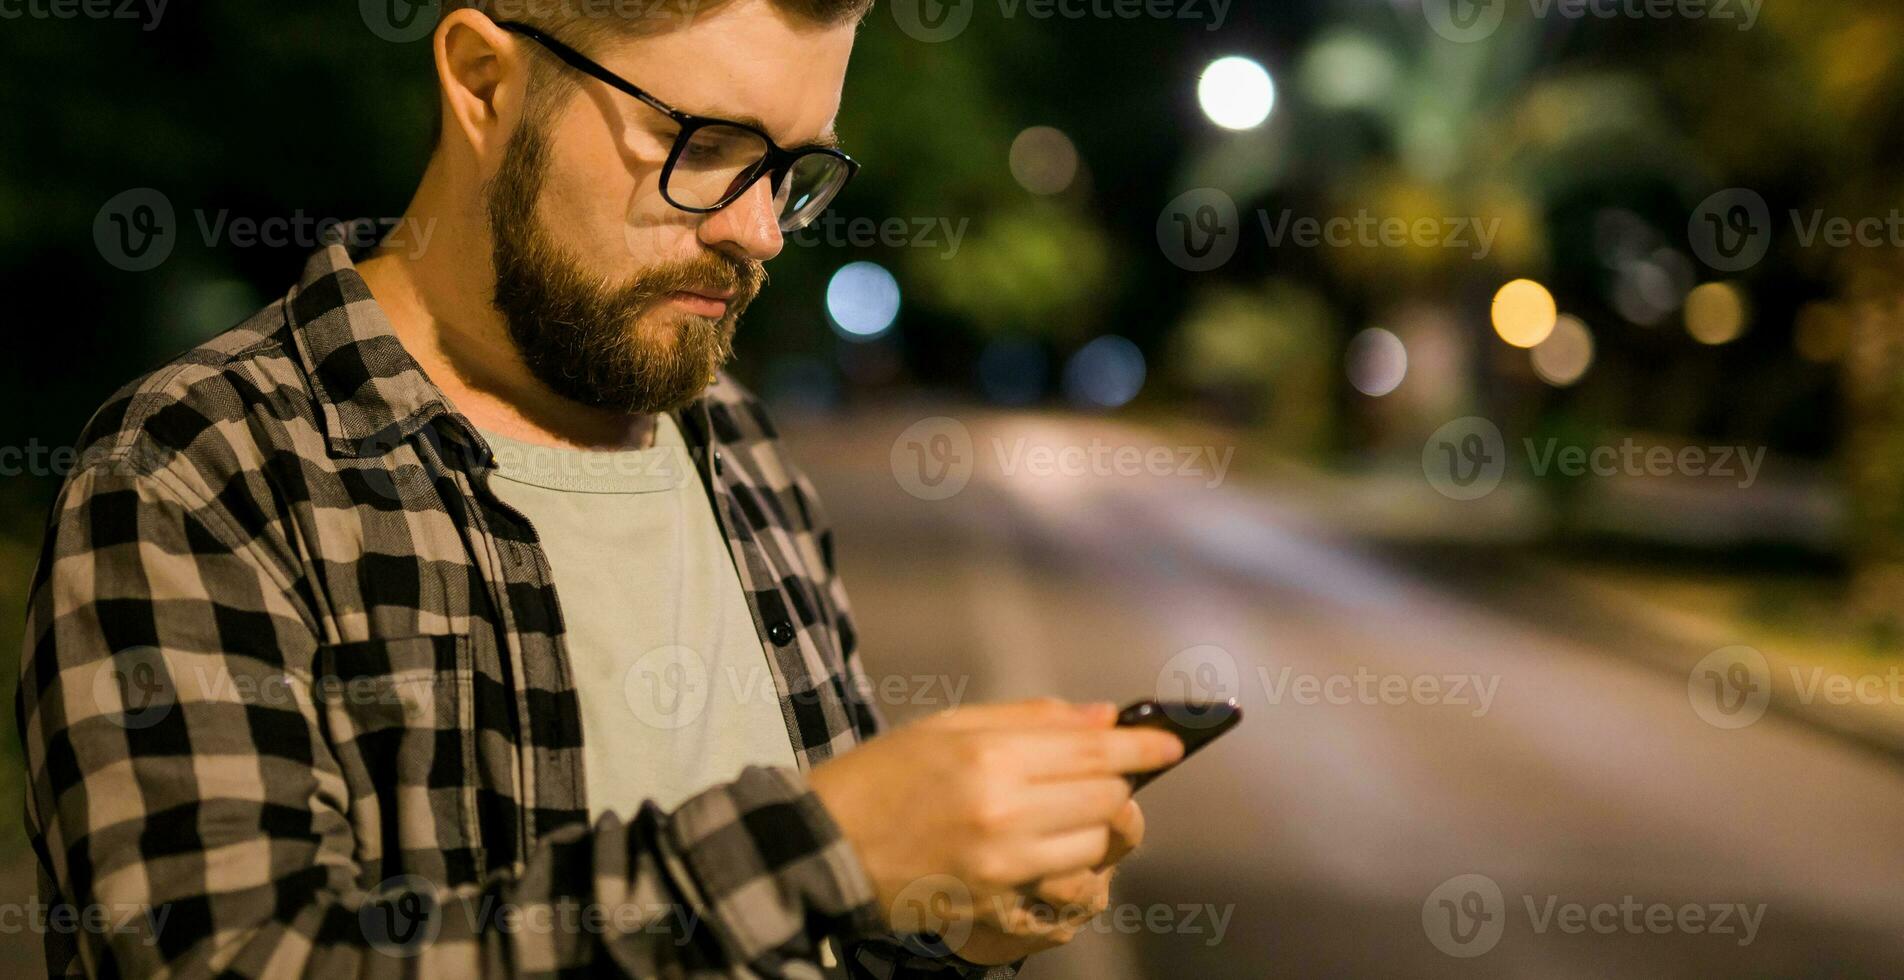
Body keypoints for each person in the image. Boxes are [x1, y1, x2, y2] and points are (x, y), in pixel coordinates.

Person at [16, 1, 1184, 976]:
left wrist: (944, 917)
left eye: (790, 168)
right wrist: (819, 840)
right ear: (483, 82)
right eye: (710, 145)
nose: (759, 232)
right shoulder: (203, 472)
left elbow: (811, 928)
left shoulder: (730, 441)